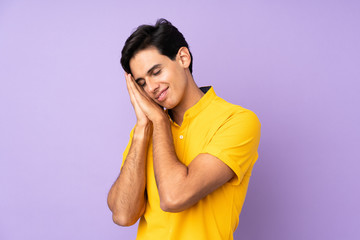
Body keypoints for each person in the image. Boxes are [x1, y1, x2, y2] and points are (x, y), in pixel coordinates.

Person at [107, 18, 261, 240]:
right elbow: (122, 215)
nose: (150, 88)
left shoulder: (236, 121)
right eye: (141, 83)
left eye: (156, 72)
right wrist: (142, 129)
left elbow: (174, 197)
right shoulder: (144, 130)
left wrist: (159, 122)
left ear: (183, 57)